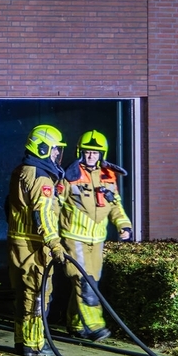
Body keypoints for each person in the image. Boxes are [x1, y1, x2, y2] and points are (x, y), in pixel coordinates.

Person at [59, 130, 133, 341]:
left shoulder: (108, 176)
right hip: (74, 236)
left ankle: (74, 324)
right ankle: (94, 325)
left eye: (95, 152)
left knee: (90, 281)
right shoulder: (70, 176)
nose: (91, 156)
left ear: (102, 154)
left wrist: (123, 225)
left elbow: (115, 205)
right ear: (80, 152)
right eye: (87, 152)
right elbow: (55, 205)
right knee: (84, 280)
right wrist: (51, 235)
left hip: (98, 239)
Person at [6, 124, 68, 356]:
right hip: (35, 245)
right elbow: (42, 213)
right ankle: (33, 345)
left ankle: (23, 341)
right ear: (42, 148)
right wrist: (55, 243)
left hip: (18, 242)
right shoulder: (41, 178)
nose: (56, 155)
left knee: (23, 292)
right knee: (37, 293)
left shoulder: (21, 170)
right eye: (54, 150)